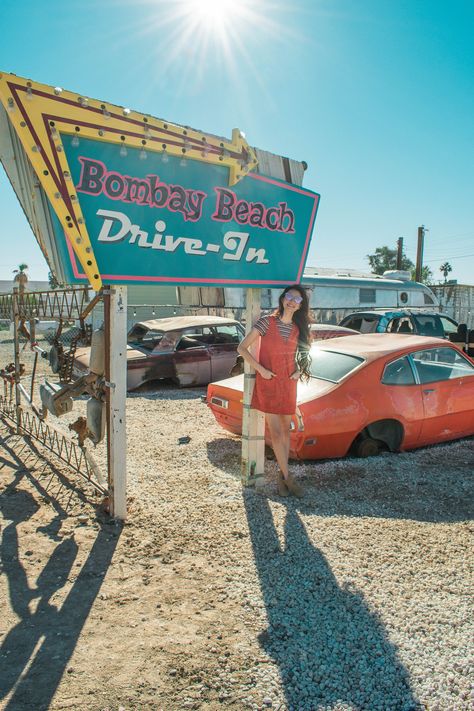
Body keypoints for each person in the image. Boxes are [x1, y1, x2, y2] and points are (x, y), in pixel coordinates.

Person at [237, 285, 312, 497]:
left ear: (300, 305)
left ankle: (282, 477)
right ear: (282, 299)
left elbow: (305, 353)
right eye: (289, 296)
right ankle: (289, 479)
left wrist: (299, 370)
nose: (291, 301)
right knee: (277, 434)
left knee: (286, 431)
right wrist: (261, 370)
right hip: (269, 382)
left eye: (297, 299)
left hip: (288, 384)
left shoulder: (299, 328)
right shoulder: (266, 322)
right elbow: (242, 348)